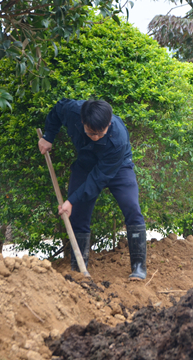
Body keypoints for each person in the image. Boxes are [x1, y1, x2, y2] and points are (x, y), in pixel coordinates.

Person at [38, 98, 147, 280]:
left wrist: (71, 200)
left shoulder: (118, 139)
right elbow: (57, 109)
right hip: (86, 162)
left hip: (116, 165)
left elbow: (98, 179)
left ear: (109, 123)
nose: (95, 137)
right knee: (78, 214)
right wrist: (48, 136)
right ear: (82, 122)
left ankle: (139, 267)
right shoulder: (72, 111)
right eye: (90, 133)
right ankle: (79, 268)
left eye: (99, 133)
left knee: (131, 207)